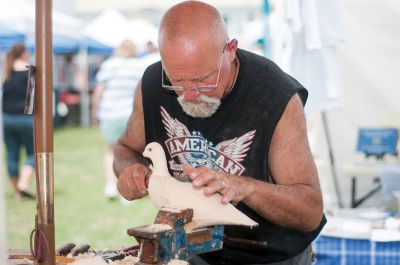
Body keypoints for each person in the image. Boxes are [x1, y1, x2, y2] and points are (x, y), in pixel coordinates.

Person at [113, 1, 326, 264]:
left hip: (272, 256)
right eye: (177, 81)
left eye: (204, 80)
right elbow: (126, 149)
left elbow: (310, 210)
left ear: (231, 50)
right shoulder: (153, 82)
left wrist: (243, 187)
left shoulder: (275, 96)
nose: (189, 95)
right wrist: (128, 171)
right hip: (195, 250)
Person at [92, 39, 144, 200]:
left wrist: (95, 111)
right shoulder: (138, 66)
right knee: (131, 152)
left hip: (110, 114)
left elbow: (99, 91)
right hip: (130, 115)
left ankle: (110, 185)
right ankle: (127, 189)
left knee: (110, 150)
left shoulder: (109, 65)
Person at [1, 43, 35, 201]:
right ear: (23, 53)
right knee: (34, 153)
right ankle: (23, 183)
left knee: (12, 155)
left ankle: (17, 193)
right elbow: (32, 98)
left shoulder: (6, 70)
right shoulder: (31, 69)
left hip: (7, 118)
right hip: (26, 118)